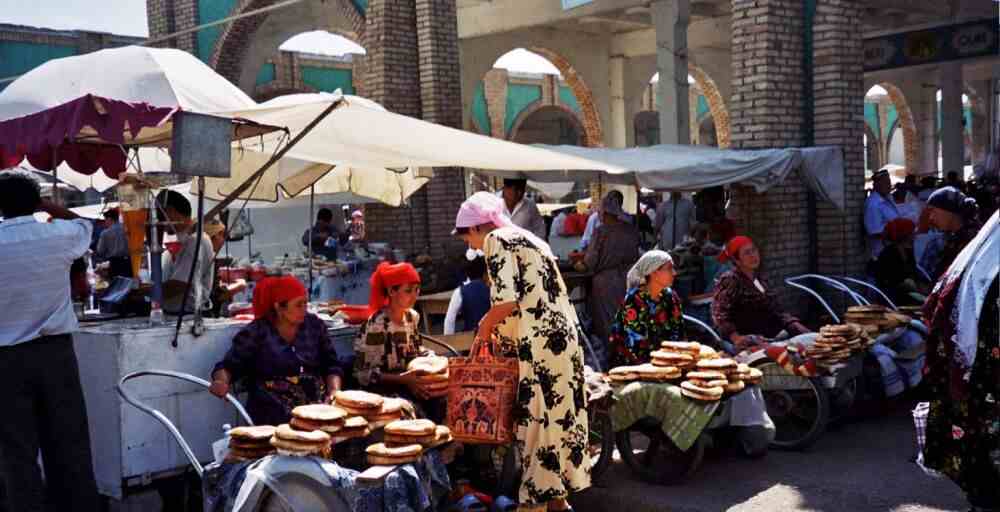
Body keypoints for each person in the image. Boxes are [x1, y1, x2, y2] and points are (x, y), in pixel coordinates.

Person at [454, 192, 589, 511]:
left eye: (466, 237)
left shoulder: (497, 240)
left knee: (536, 428)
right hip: (562, 343)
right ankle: (558, 502)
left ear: (477, 229)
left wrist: (484, 329)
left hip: (539, 347)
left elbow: (506, 301)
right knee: (556, 425)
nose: (469, 246)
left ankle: (538, 504)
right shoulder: (529, 238)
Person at [0, 170, 101, 512]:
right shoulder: (58, 235)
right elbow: (88, 227)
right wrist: (47, 206)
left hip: (6, 360)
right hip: (55, 354)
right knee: (69, 444)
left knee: (17, 452)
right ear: (36, 201)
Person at [921, 211, 998, 511]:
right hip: (984, 381)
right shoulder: (990, 268)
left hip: (974, 381)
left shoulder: (982, 257)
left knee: (979, 457)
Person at [210, 275, 342, 425]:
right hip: (271, 417)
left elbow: (332, 365)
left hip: (316, 412)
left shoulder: (314, 326)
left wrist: (334, 391)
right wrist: (221, 381)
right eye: (299, 305)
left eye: (306, 303)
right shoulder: (256, 333)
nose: (305, 309)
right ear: (278, 307)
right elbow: (227, 367)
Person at [353, 262, 444, 417]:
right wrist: (405, 380)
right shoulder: (378, 325)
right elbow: (363, 374)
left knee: (443, 400)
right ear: (391, 291)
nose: (415, 295)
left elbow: (415, 351)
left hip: (409, 381)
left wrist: (432, 358)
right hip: (384, 388)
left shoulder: (412, 317)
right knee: (413, 412)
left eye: (417, 290)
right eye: (408, 291)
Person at [711, 236, 809, 353]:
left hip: (770, 339)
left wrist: (796, 325)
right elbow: (719, 314)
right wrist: (735, 337)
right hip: (747, 344)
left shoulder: (758, 279)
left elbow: (777, 310)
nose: (753, 255)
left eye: (754, 250)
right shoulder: (731, 280)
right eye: (747, 253)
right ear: (737, 260)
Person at [580, 194, 640, 347]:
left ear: (605, 212)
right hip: (628, 279)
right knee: (626, 319)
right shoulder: (630, 230)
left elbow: (590, 261)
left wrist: (580, 264)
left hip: (605, 284)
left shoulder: (601, 232)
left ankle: (611, 355)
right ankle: (627, 351)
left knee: (607, 323)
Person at [607, 251, 684, 367]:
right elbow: (634, 348)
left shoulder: (670, 297)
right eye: (669, 269)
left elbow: (679, 333)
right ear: (653, 272)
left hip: (667, 362)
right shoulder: (634, 301)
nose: (674, 273)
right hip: (635, 366)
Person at [155, 190, 215, 315]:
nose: (157, 222)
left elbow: (179, 285)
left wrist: (143, 292)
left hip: (190, 317)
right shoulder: (179, 240)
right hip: (174, 315)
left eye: (159, 215)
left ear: (171, 211)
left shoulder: (196, 240)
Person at [925, 186, 981, 280]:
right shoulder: (955, 238)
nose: (931, 218)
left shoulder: (969, 240)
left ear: (949, 210)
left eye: (933, 211)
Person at [873, 218, 927, 306]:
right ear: (904, 235)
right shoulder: (888, 254)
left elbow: (912, 272)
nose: (915, 235)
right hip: (892, 295)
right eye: (912, 233)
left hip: (906, 291)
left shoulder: (908, 250)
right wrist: (914, 287)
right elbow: (891, 280)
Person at [443, 256, 490, 335]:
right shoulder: (492, 289)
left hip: (470, 339)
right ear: (485, 274)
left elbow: (449, 321)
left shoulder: (460, 292)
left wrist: (449, 341)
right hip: (492, 337)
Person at [864, 168, 901, 265]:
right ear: (876, 185)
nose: (889, 185)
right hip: (881, 254)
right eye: (885, 182)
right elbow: (873, 232)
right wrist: (897, 234)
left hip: (893, 251)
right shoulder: (873, 204)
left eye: (889, 182)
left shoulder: (888, 198)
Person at [95, 208, 132, 278]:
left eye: (105, 220)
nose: (105, 222)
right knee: (129, 284)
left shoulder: (105, 233)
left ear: (109, 219)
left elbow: (100, 251)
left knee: (117, 286)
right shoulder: (127, 228)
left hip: (115, 264)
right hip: (129, 262)